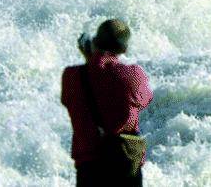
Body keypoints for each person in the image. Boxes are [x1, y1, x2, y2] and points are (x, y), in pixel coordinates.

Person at [61, 19, 154, 187]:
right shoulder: (133, 75)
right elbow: (145, 99)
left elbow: (69, 99)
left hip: (88, 166)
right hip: (124, 162)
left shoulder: (71, 77)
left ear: (95, 41)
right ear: (124, 48)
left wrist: (91, 62)